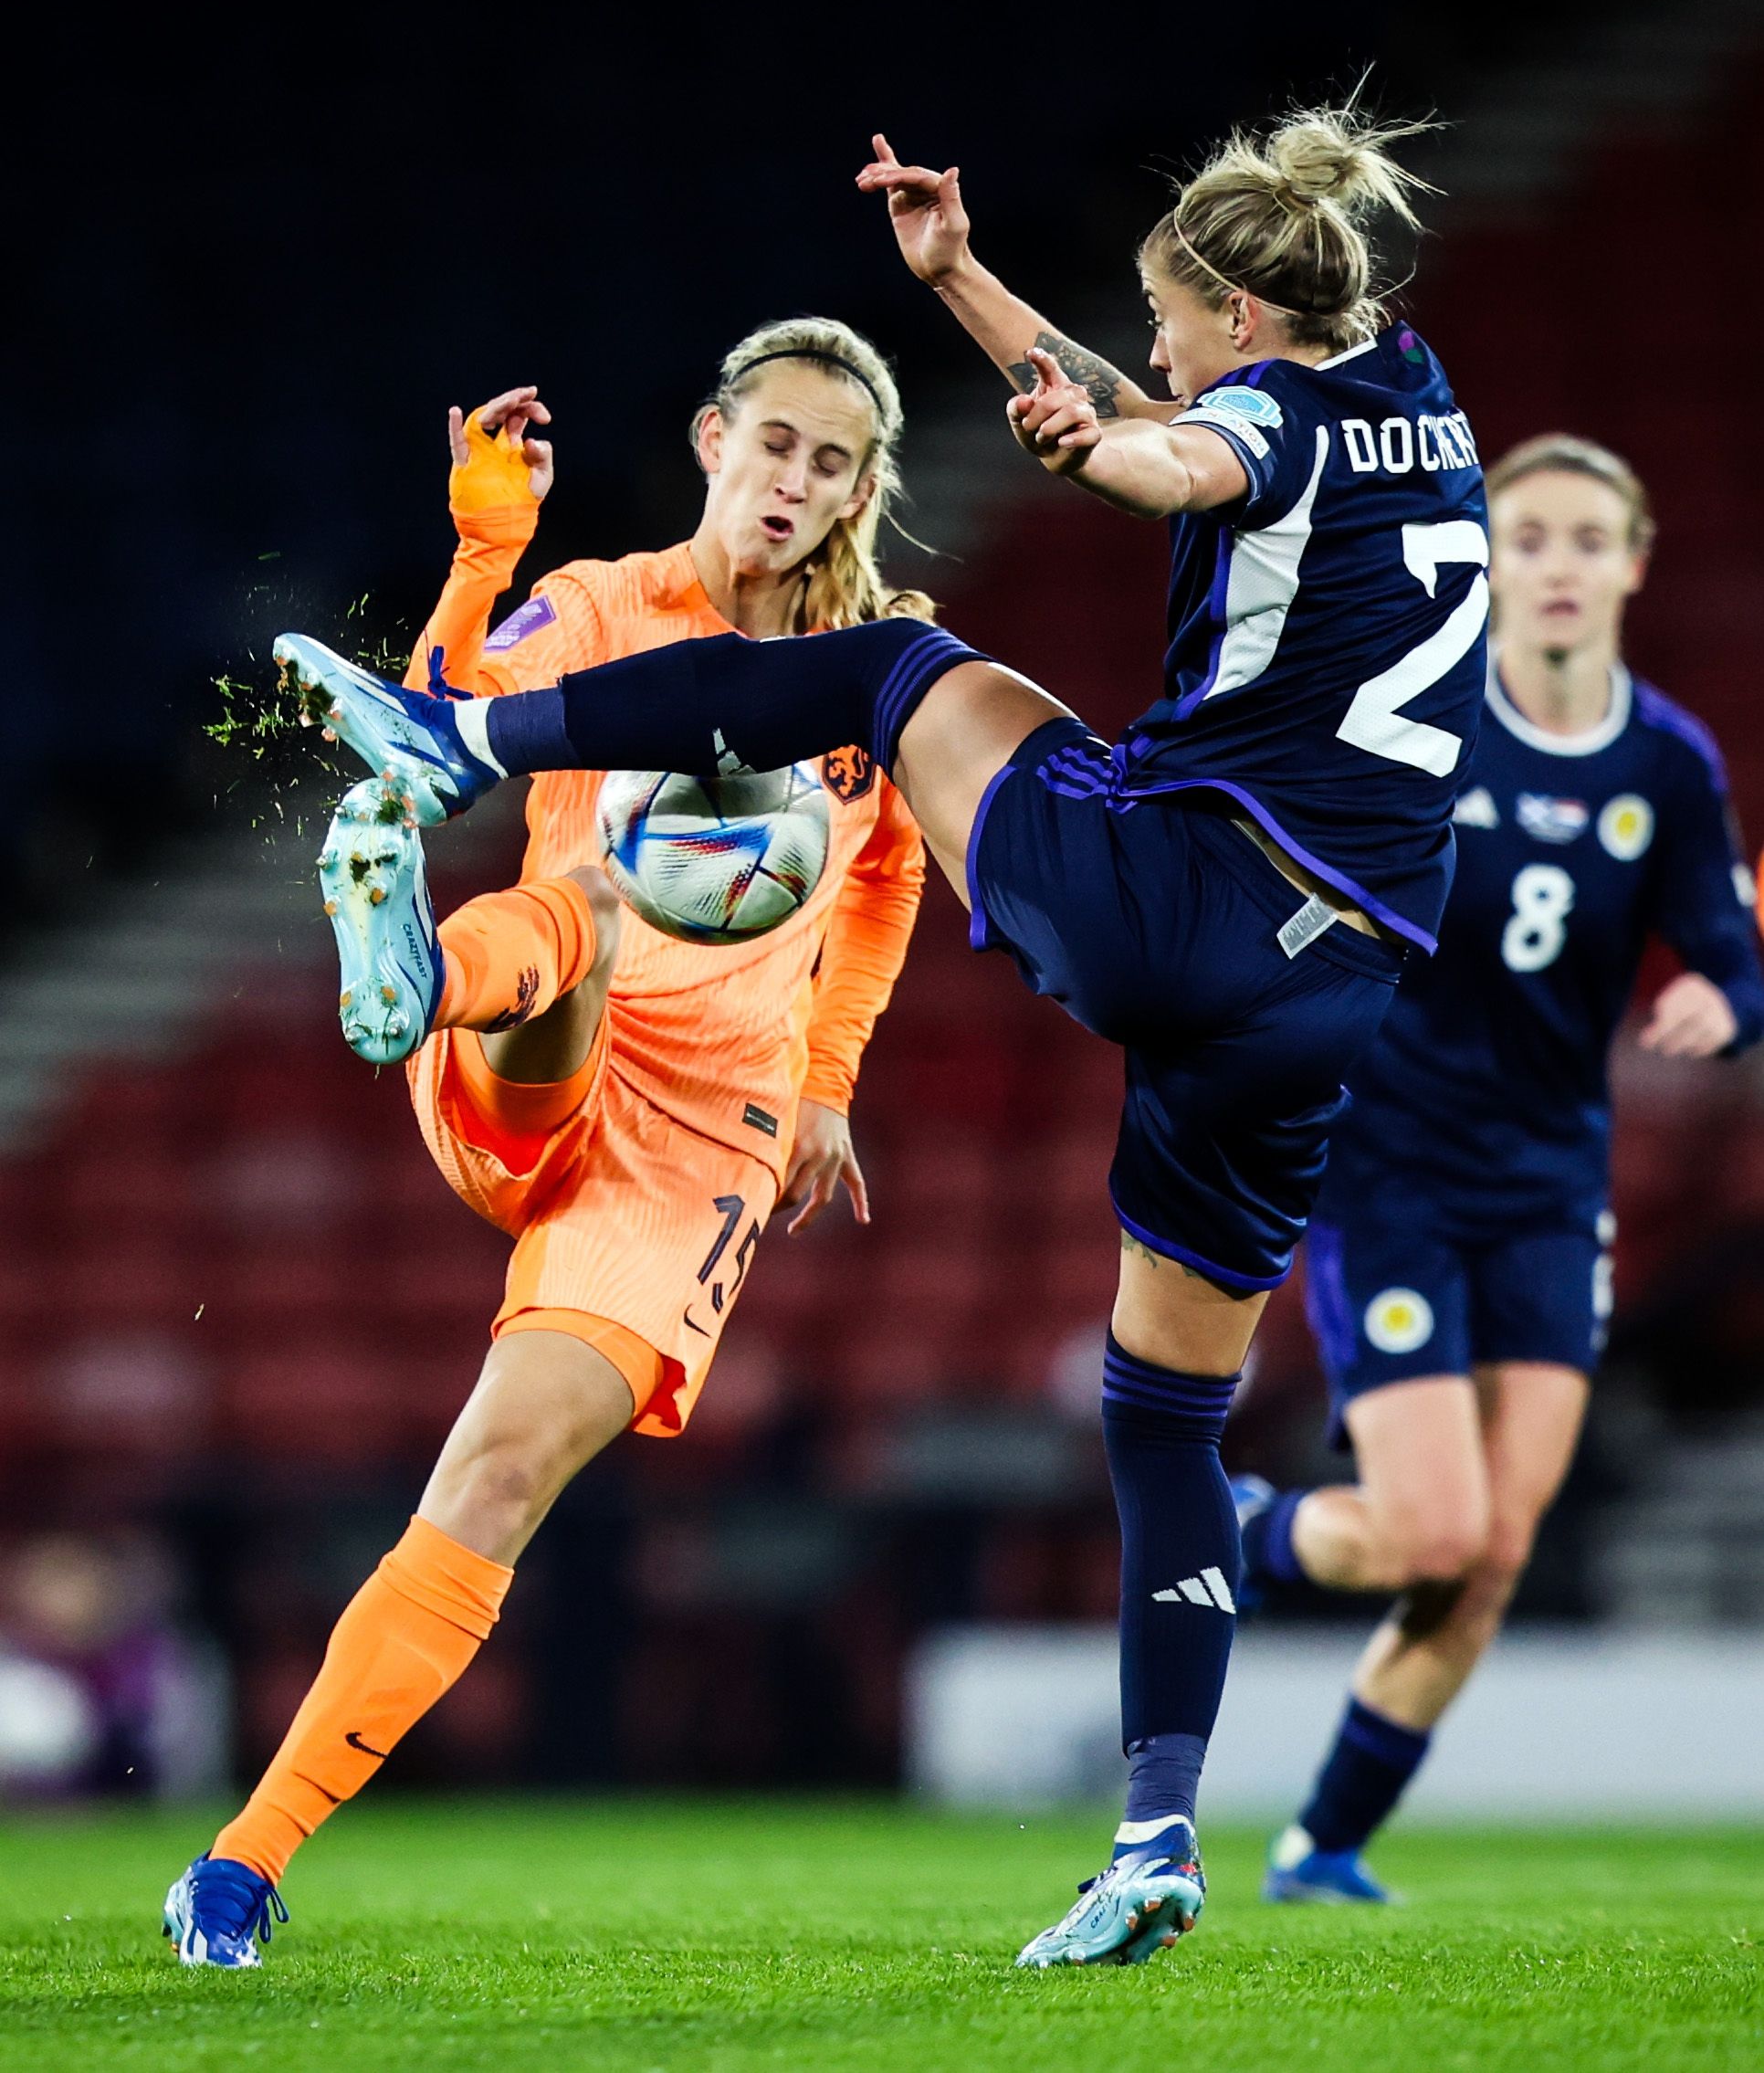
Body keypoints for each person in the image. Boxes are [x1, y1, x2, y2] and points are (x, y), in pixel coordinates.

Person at [274, 101, 1488, 1968]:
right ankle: (1156, 1832)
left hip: (1186, 901)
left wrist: (1105, 455)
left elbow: (1178, 454)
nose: (1150, 347)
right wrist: (969, 288)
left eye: (1168, 320)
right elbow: (1179, 418)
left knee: (889, 665)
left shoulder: (1251, 421)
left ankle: (460, 754)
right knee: (1165, 1406)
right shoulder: (1410, 388)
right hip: (1331, 993)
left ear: (1242, 319)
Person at [163, 318, 929, 1967]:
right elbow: (433, 725)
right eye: (772, 442)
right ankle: (413, 978)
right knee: (600, 887)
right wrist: (483, 545)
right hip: (529, 1038)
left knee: (497, 1477)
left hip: (698, 1142)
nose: (793, 481)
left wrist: (829, 1078)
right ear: (714, 442)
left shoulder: (878, 670)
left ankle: (241, 1863)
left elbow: (886, 875)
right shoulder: (596, 604)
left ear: (859, 489)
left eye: (830, 461)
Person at [1223, 433, 1764, 1899]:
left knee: (1494, 1550)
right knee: (1432, 1529)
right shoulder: (1423, 720)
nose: (1560, 566)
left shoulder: (1669, 763)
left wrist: (1726, 1006)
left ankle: (1323, 1844)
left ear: (1635, 563)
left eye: (1590, 539)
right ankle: (1236, 1530)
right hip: (1391, 1171)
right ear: (1490, 565)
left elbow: (1732, 954)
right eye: (1529, 539)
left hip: (1550, 1192)